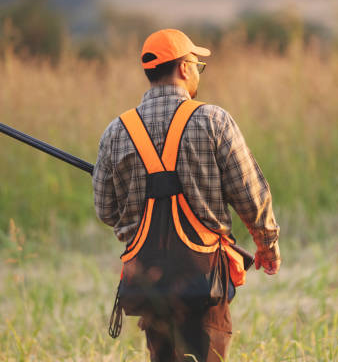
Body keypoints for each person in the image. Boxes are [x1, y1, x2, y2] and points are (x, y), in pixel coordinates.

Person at [92, 28, 280, 362]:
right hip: (205, 278)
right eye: (197, 64)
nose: (197, 72)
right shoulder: (214, 121)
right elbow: (250, 194)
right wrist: (266, 244)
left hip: (149, 280)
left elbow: (106, 211)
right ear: (183, 68)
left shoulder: (116, 131)